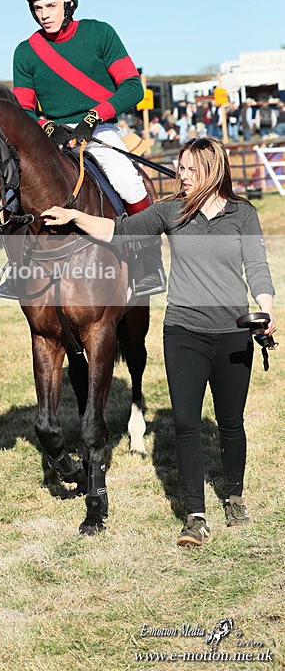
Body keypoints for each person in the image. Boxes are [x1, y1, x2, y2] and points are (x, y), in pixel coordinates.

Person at [41, 137, 276, 548]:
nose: (180, 175)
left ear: (211, 170)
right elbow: (118, 230)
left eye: (189, 168)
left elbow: (257, 267)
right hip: (184, 331)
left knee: (231, 423)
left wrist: (266, 310)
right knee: (186, 424)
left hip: (234, 331)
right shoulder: (171, 212)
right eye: (180, 167)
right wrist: (74, 216)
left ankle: (234, 495)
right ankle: (195, 516)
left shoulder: (243, 215)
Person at [13, 0, 165, 296]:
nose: (44, 14)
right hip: (51, 137)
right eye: (37, 8)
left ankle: (149, 260)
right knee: (13, 190)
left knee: (127, 179)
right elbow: (24, 109)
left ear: (69, 3)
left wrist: (93, 118)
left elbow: (132, 86)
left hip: (99, 129)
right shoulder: (25, 52)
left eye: (50, 6)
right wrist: (47, 125)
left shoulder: (100, 33)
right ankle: (16, 270)